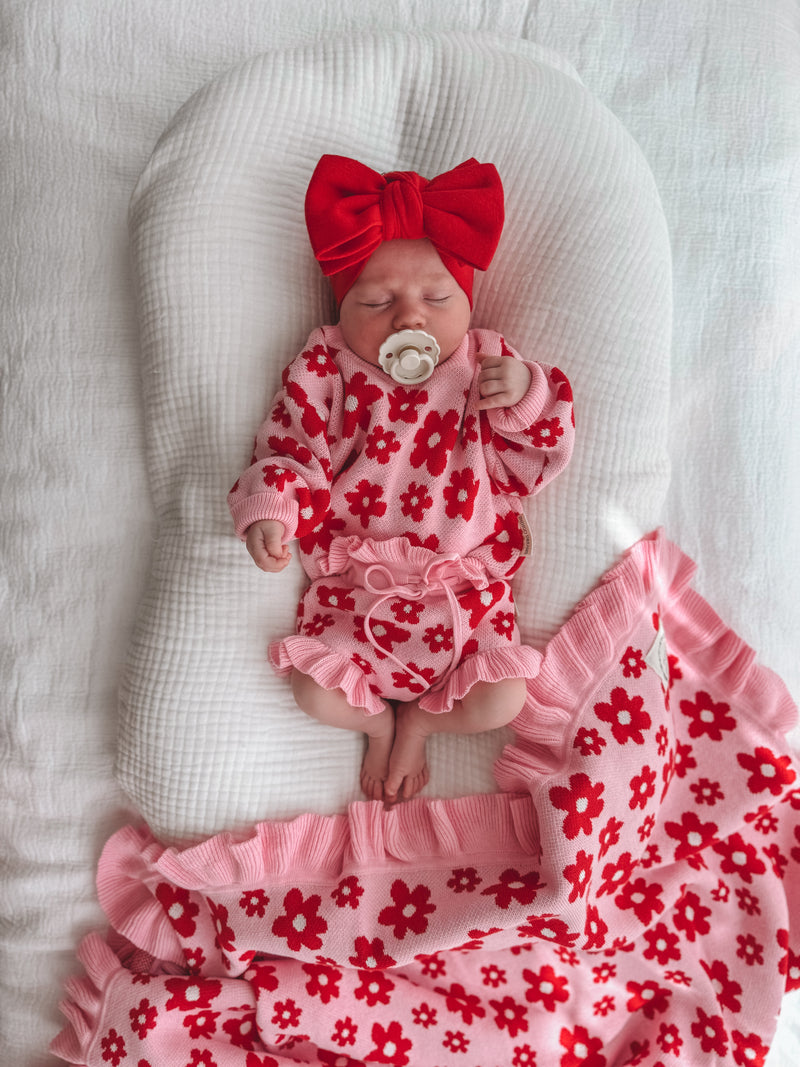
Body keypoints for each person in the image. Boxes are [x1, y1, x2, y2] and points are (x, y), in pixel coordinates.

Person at [228, 154, 574, 804]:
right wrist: (273, 508)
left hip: (463, 597)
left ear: (466, 302)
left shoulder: (483, 363)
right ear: (343, 305)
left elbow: (540, 456)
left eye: (437, 298)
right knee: (313, 690)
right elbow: (288, 444)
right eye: (378, 300)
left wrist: (527, 395)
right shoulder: (327, 366)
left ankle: (421, 720)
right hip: (356, 596)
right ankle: (375, 721)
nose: (409, 318)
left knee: (503, 697)